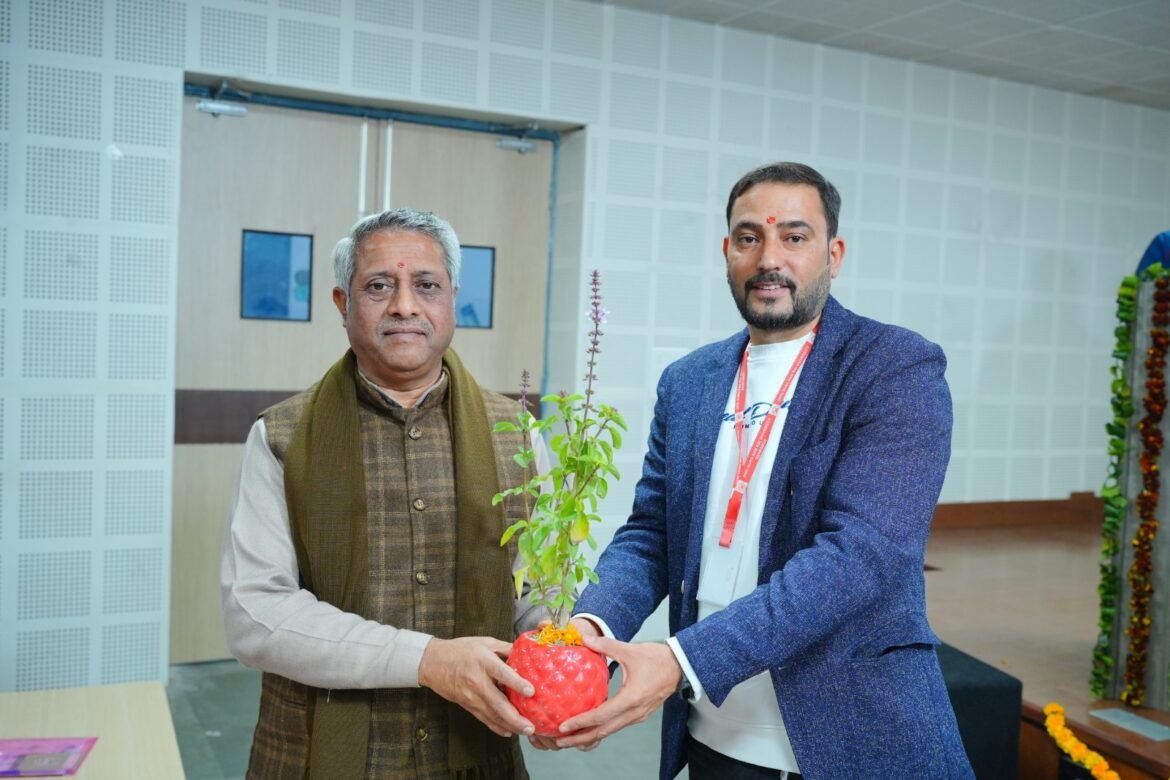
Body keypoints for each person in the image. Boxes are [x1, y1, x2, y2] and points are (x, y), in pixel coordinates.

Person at [550, 162, 975, 779]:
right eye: (749, 238)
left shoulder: (893, 368)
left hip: (852, 738)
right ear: (727, 252)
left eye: (794, 237)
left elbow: (861, 555)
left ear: (833, 254)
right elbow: (650, 534)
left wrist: (681, 660)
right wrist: (590, 631)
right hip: (714, 736)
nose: (769, 258)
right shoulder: (689, 381)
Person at [220, 207, 545, 779]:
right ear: (342, 303)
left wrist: (557, 662)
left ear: (452, 300)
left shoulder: (516, 436)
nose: (404, 305)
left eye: (427, 285)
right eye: (378, 286)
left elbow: (536, 591)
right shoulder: (282, 436)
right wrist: (426, 660)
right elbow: (257, 613)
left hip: (476, 749)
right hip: (318, 752)